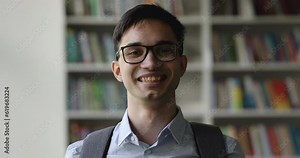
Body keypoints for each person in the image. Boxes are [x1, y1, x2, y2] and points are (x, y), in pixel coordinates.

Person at [65, 4, 245, 158]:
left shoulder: (224, 152)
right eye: (135, 52)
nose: (150, 63)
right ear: (117, 70)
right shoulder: (81, 154)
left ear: (182, 65)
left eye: (164, 50)